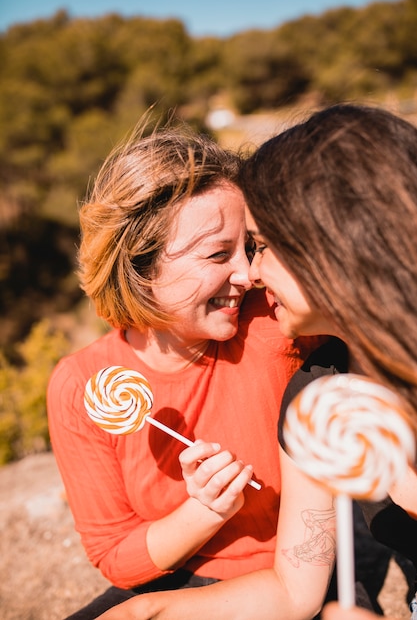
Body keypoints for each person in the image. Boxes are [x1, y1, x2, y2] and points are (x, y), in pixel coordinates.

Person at [95, 103, 417, 620]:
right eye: (230, 252)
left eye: (260, 246)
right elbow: (296, 590)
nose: (253, 274)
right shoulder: (318, 396)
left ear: (335, 242)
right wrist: (145, 613)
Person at [47, 120, 320, 619]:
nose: (248, 273)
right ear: (140, 267)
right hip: (170, 584)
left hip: (298, 579)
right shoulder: (81, 385)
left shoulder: (273, 319)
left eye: (251, 247)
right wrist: (204, 512)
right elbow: (115, 556)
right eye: (219, 253)